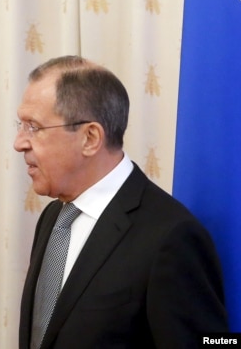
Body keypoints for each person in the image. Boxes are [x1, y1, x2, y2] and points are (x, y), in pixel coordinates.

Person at [14, 55, 228, 348]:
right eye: (21, 126)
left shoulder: (170, 237)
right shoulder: (54, 217)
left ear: (90, 138)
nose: (19, 142)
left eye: (34, 127)